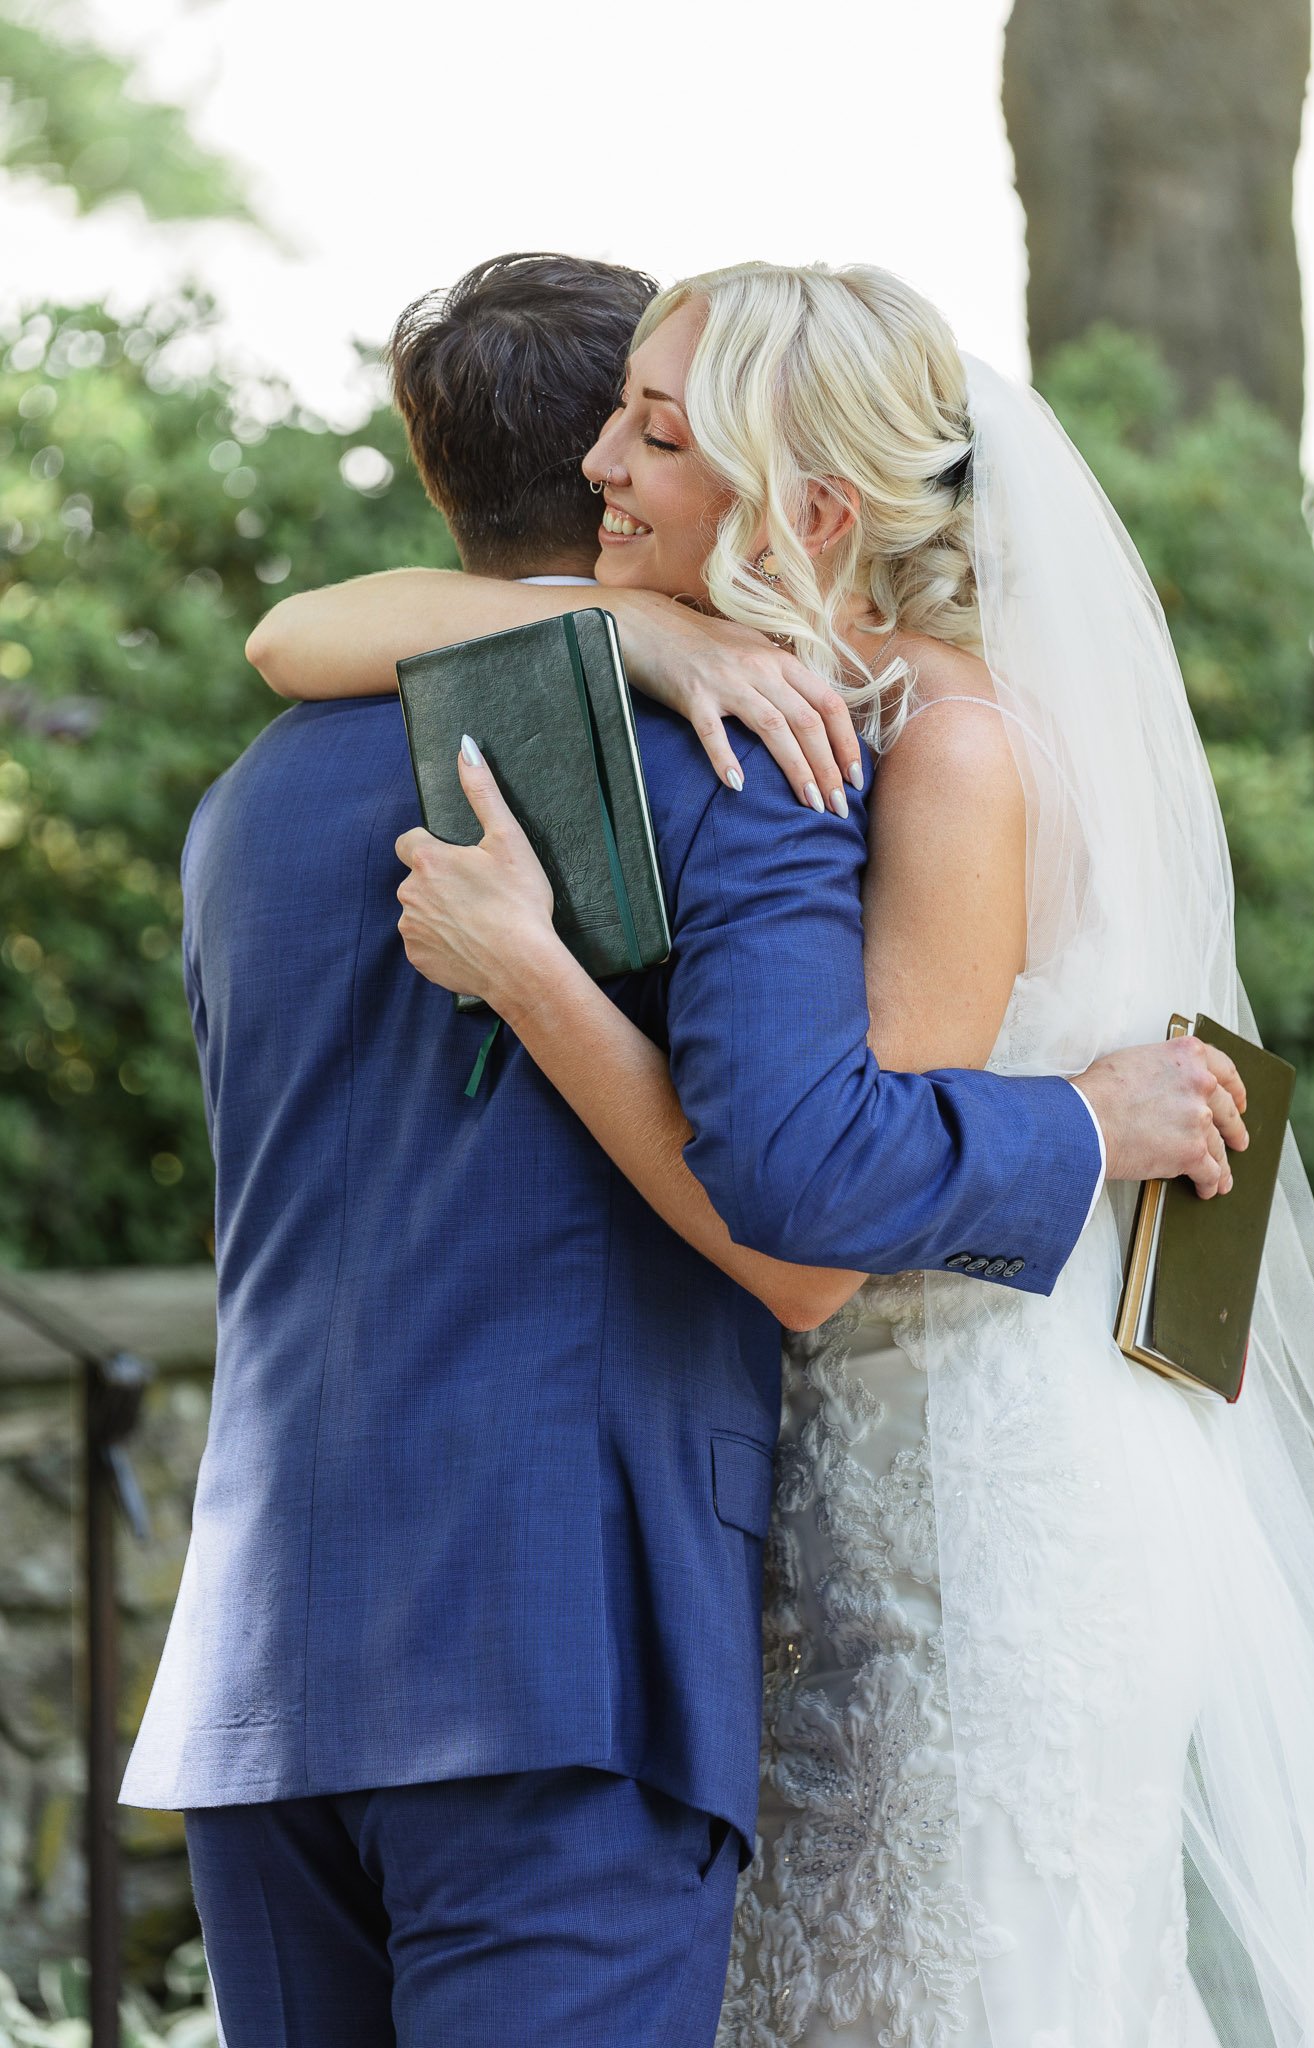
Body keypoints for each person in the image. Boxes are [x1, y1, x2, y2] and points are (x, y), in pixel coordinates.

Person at [130, 251, 1241, 2048]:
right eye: (627, 429)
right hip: (571, 1647)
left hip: (274, 1669)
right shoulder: (746, 753)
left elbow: (292, 642)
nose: (625, 474)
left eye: (666, 431)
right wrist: (1071, 1121)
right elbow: (804, 1225)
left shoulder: (252, 796)